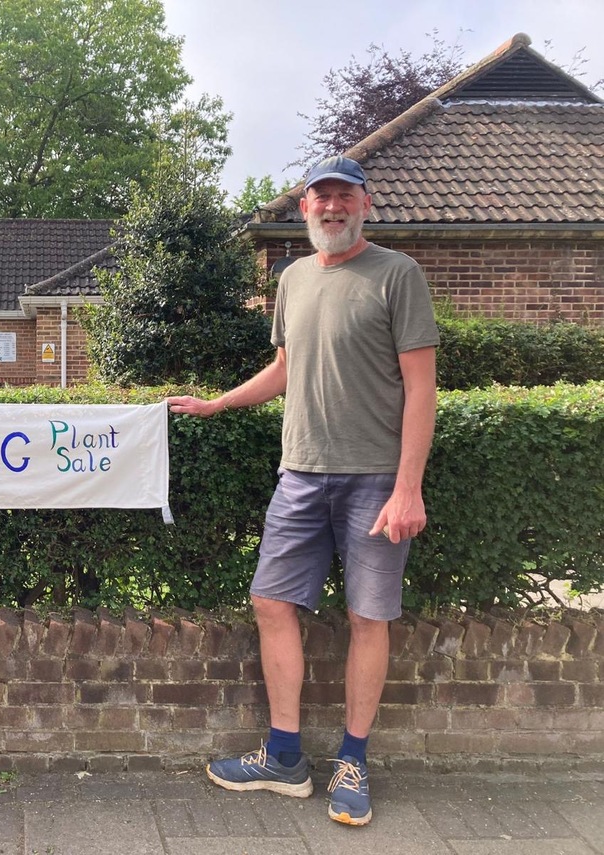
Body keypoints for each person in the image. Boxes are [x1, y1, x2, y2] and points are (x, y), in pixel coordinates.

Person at [167, 156, 438, 827]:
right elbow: (286, 366)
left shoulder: (397, 274)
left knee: (368, 616)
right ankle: (284, 756)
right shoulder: (290, 279)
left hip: (374, 478)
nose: (332, 207)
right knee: (270, 599)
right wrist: (219, 403)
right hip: (300, 472)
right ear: (304, 208)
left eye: (344, 196)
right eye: (321, 197)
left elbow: (422, 388)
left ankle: (352, 759)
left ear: (365, 205)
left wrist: (408, 488)